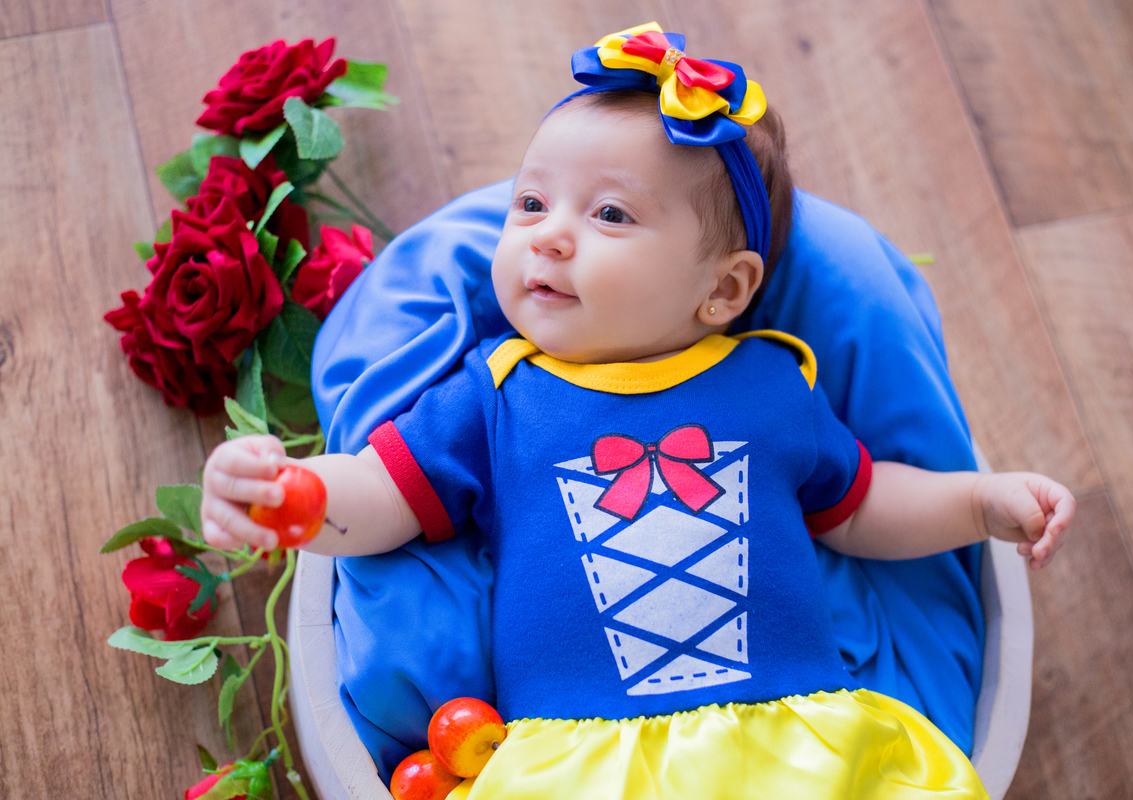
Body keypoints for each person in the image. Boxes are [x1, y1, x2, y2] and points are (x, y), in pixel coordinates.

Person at [201, 23, 1072, 798]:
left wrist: (975, 503)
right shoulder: (495, 393)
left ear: (723, 288)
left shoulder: (770, 383)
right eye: (531, 204)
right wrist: (294, 497)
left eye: (610, 213)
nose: (547, 233)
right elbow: (380, 498)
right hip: (582, 764)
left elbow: (863, 507)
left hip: (796, 746)